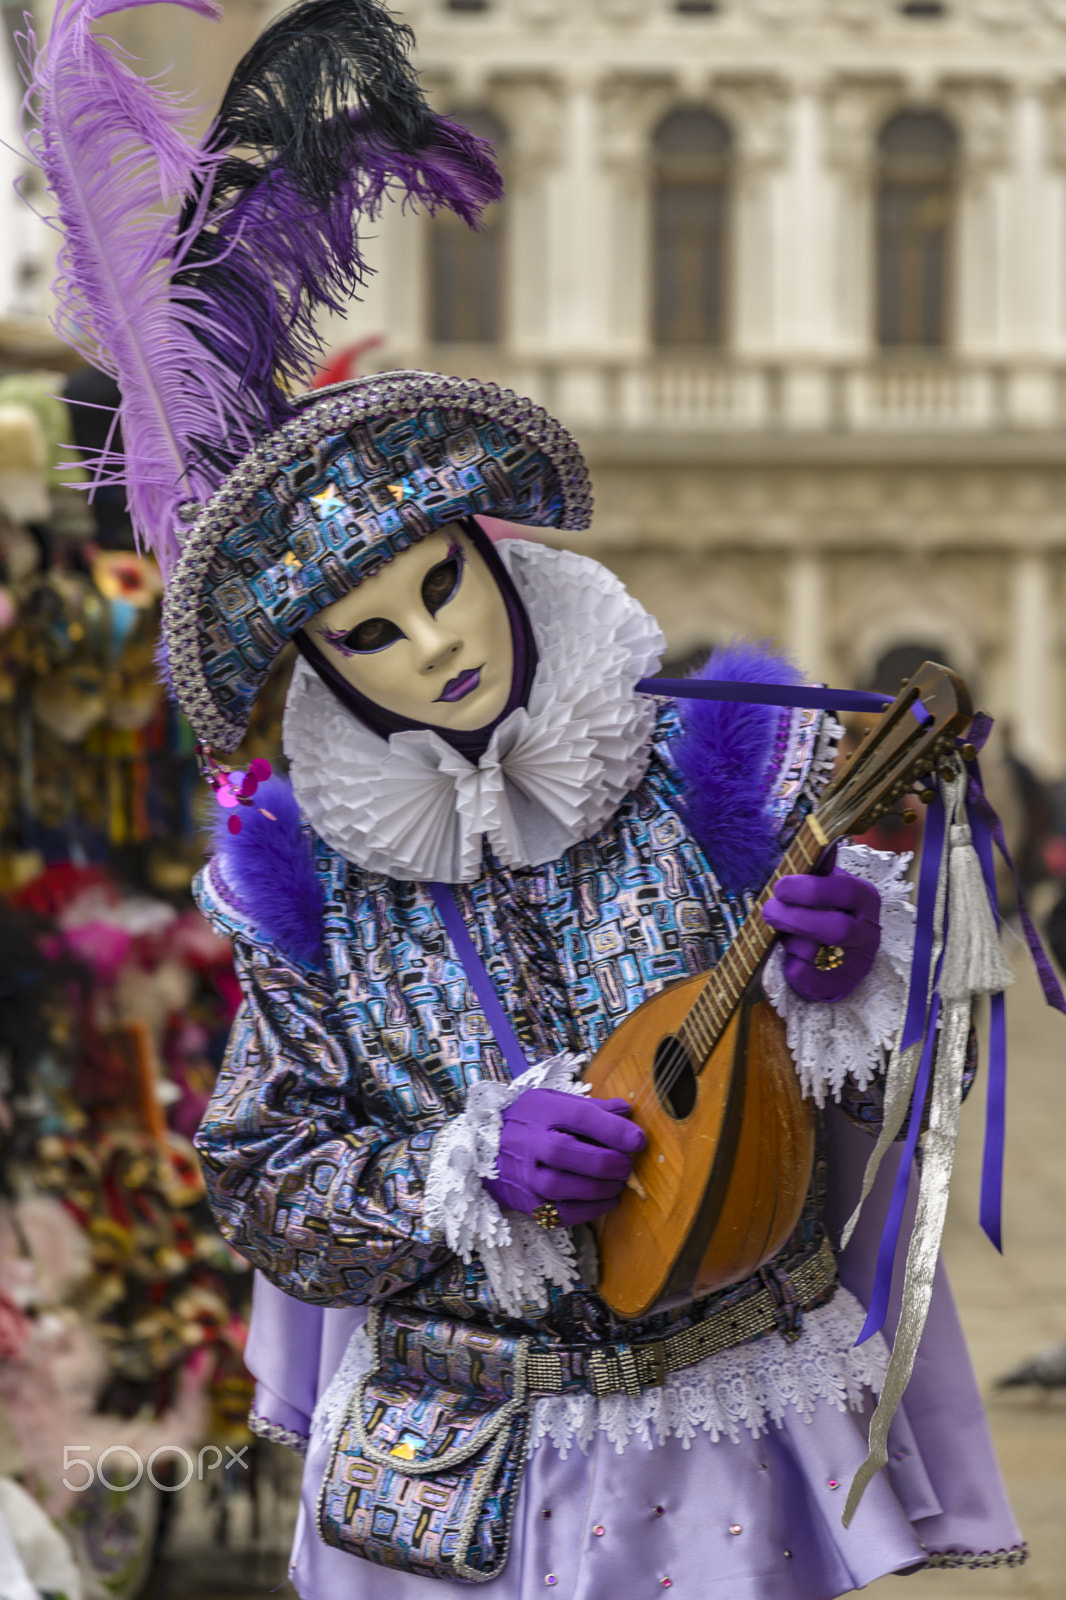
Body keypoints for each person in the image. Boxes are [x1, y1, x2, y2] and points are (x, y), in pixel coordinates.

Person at [28, 0, 1026, 1592]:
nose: (430, 646)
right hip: (453, 1486)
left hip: (717, 1458)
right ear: (325, 670)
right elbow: (268, 1174)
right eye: (370, 633)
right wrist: (454, 1177)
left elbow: (829, 1144)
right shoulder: (315, 882)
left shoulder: (710, 774)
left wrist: (849, 980)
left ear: (491, 554)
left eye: (444, 587)